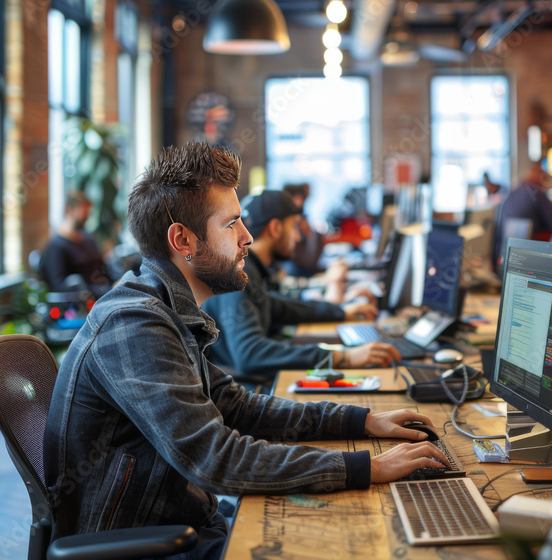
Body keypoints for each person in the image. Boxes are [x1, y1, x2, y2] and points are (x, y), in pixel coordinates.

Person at [44, 142, 448, 559]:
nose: (248, 237)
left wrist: (362, 420)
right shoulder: (134, 325)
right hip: (147, 544)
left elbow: (238, 408)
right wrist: (367, 467)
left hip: (187, 520)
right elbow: (217, 459)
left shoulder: (164, 310)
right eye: (232, 223)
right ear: (182, 239)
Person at [203, 189, 394, 382]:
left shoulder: (253, 271)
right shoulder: (237, 273)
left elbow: (280, 306)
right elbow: (250, 354)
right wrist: (342, 357)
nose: (297, 237)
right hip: (248, 392)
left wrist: (341, 312)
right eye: (294, 227)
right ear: (275, 228)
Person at [38, 190, 114, 297]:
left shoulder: (88, 240)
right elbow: (59, 287)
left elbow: (104, 269)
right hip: (86, 303)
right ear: (69, 210)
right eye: (83, 213)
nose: (86, 218)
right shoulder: (56, 247)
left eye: (88, 213)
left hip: (107, 293)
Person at [495, 162, 552, 267]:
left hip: (506, 257)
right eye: (542, 175)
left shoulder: (512, 193)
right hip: (531, 258)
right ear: (537, 174)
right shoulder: (537, 192)